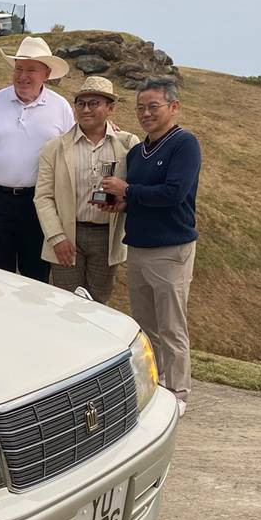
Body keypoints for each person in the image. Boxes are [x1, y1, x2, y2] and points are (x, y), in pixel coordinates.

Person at [97, 76, 200, 415]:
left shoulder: (184, 144)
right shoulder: (138, 152)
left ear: (174, 107)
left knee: (172, 326)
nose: (146, 113)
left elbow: (175, 194)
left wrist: (127, 191)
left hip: (171, 248)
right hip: (138, 245)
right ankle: (154, 386)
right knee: (146, 326)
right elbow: (141, 196)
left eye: (153, 106)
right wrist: (121, 204)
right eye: (141, 108)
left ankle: (179, 393)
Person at [0, 36, 74, 281]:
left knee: (35, 280)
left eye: (31, 70)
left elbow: (75, 151)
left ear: (46, 74)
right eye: (19, 69)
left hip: (38, 206)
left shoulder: (60, 108)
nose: (23, 76)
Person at [34, 75, 140, 303]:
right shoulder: (55, 148)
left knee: (98, 306)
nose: (86, 109)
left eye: (94, 103)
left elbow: (139, 189)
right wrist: (57, 237)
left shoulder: (128, 145)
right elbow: (43, 197)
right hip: (67, 236)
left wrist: (123, 200)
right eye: (80, 103)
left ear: (110, 108)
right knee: (64, 303)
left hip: (106, 237)